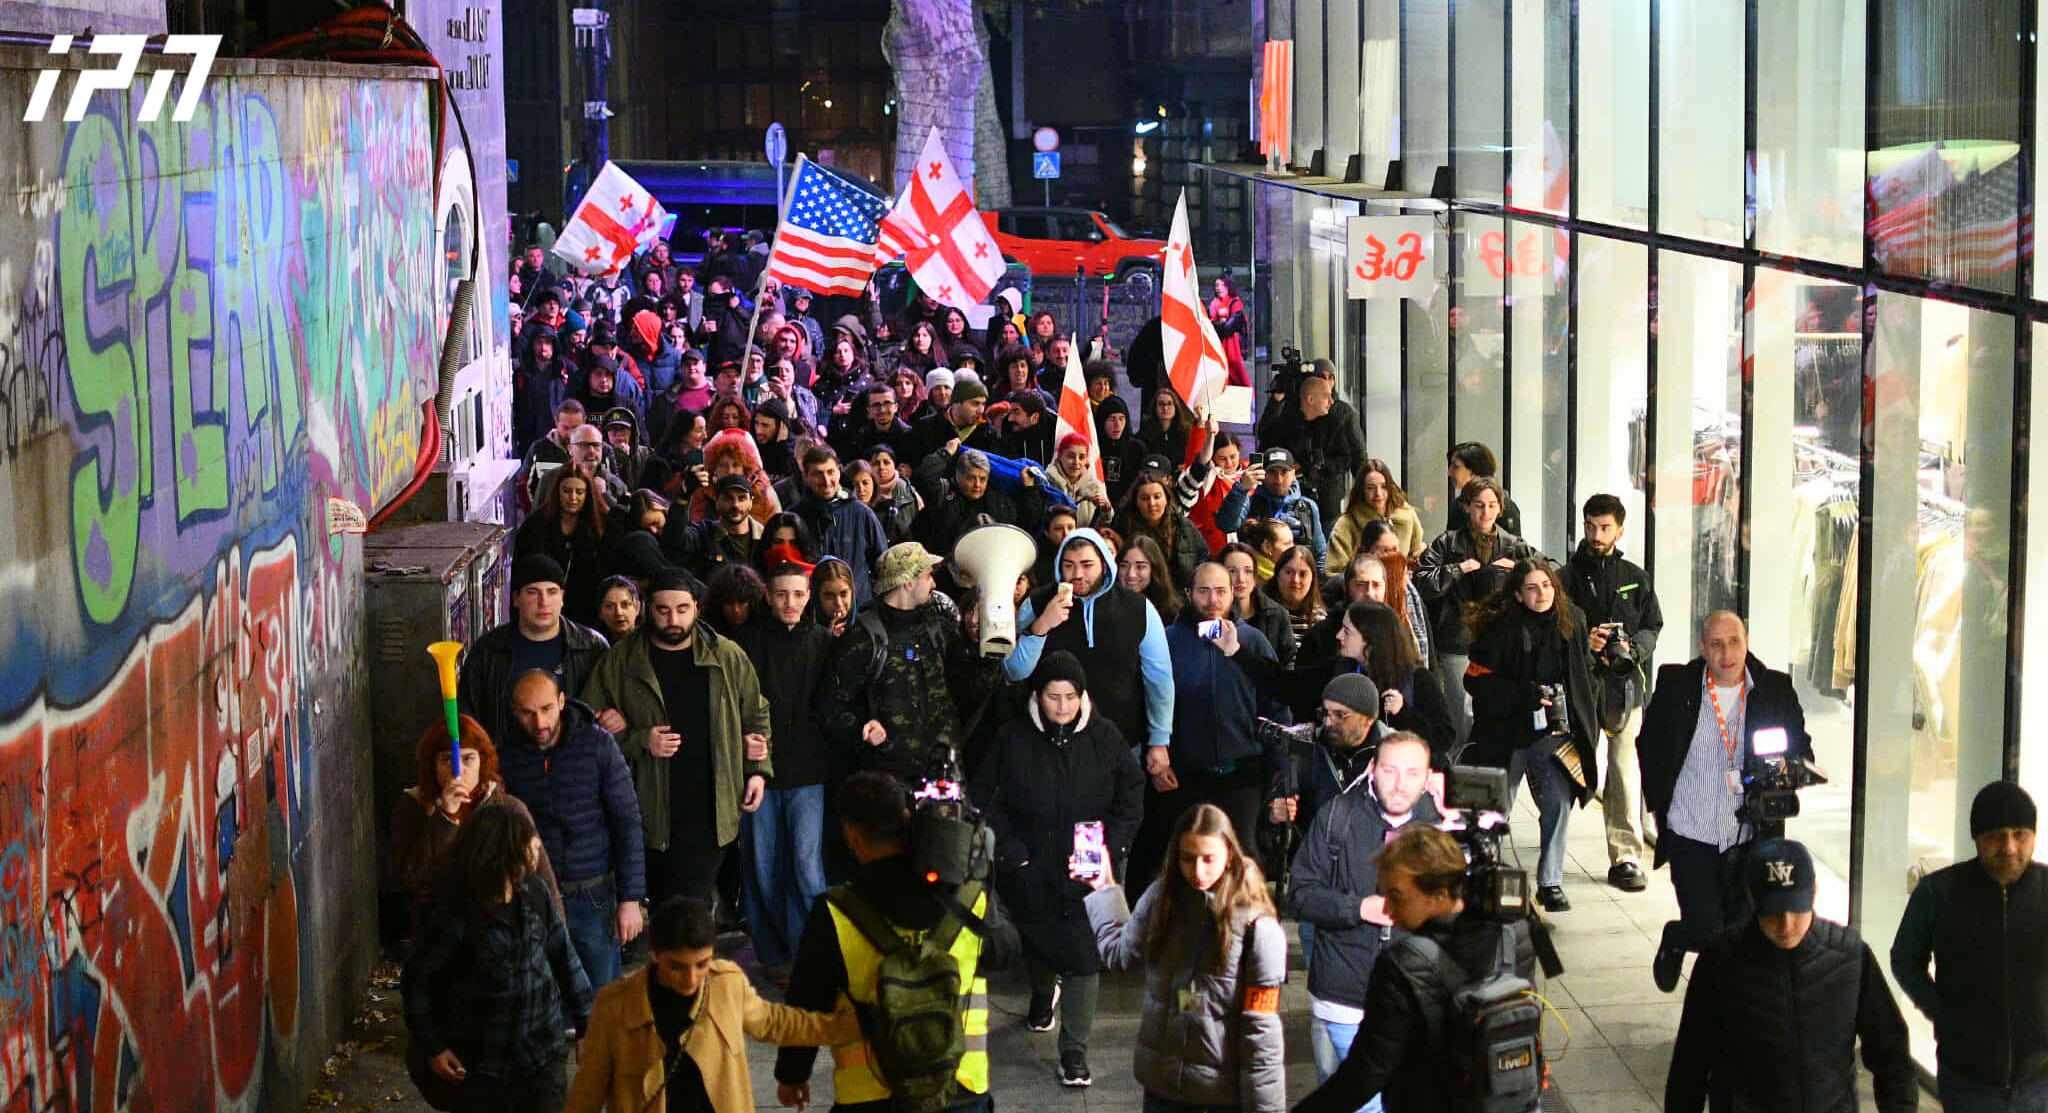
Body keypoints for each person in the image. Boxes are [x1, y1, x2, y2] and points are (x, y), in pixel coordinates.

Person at [775, 772, 1020, 1113]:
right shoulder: (968, 895)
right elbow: (1005, 953)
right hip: (960, 1087)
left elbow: (807, 1001)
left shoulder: (835, 911)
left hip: (870, 1095)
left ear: (851, 834)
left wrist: (791, 1075)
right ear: (907, 817)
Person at [970, 652, 1145, 1088]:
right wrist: (1012, 852)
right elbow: (987, 797)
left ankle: (1074, 1052)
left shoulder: (1105, 738)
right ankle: (1041, 996)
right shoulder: (1011, 739)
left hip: (1089, 868)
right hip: (1029, 863)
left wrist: (1114, 844)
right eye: (1054, 697)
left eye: (1071, 697)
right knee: (1039, 942)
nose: (1063, 706)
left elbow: (1131, 794)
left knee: (1085, 957)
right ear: (1038, 696)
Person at [1290, 825, 1537, 1113]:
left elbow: (1366, 1072)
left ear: (1439, 895)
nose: (1389, 910)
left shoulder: (1402, 965)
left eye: (1397, 897)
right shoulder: (1515, 932)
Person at [1666, 839, 1917, 1113]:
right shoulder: (1720, 961)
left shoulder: (1850, 957)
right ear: (1752, 899)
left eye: (1796, 909)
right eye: (1772, 912)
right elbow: (1691, 1063)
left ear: (1814, 894)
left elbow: (1891, 1056)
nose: (1786, 925)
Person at [1640, 611, 1812, 992]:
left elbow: (1802, 750)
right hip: (1691, 829)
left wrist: (1783, 768)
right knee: (1706, 931)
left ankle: (1730, 1022)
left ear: (1746, 641)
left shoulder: (1775, 689)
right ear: (1702, 647)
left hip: (1749, 834)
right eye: (1716, 644)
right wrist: (1658, 808)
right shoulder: (1676, 685)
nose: (1726, 653)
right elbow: (1648, 746)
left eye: (1734, 641)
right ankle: (1678, 938)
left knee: (1740, 937)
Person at [581, 571, 773, 906]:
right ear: (647, 609)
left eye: (682, 609)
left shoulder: (725, 656)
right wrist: (638, 739)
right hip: (649, 807)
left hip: (710, 805)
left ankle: (693, 955)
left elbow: (755, 713)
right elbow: (585, 728)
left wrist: (757, 768)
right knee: (664, 902)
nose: (673, 620)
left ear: (697, 608)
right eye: (663, 610)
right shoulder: (621, 660)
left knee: (691, 903)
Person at [565, 896, 856, 1113]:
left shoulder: (727, 984)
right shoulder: (615, 1006)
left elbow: (776, 1022)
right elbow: (589, 1089)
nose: (691, 978)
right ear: (654, 955)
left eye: (702, 964)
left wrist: (846, 1028)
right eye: (676, 967)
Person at [1084, 803, 1288, 1113]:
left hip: (1217, 1097)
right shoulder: (1160, 898)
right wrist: (1103, 889)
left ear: (1229, 854)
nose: (1198, 872)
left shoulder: (1258, 926)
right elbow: (1119, 953)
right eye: (1187, 858)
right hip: (1162, 1089)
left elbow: (1262, 1032)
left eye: (1209, 859)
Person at [402, 806, 592, 1113]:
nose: (537, 849)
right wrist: (433, 1045)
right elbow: (417, 981)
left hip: (541, 1058)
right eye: (529, 844)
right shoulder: (454, 910)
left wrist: (586, 1024)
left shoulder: (535, 893)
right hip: (481, 1067)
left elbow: (564, 958)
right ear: (504, 851)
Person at [1287, 729, 1439, 1097]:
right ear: (1372, 769)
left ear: (1428, 776)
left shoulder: (1442, 828)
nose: (1400, 785)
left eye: (1412, 773)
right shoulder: (1337, 816)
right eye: (1390, 770)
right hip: (1342, 1001)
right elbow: (1301, 896)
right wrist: (1358, 908)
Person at [1891, 781, 2047, 1112]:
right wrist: (1943, 1014)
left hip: (2041, 1080)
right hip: (1967, 1080)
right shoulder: (1938, 893)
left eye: (2020, 834)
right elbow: (1904, 960)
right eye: (1995, 835)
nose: (2008, 846)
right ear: (1976, 838)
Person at [1462, 559, 1600, 912]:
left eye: (1548, 586)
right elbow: (1474, 679)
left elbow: (1584, 675)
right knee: (1497, 808)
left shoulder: (1572, 623)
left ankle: (1550, 882)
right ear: (1519, 595)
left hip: (1553, 731)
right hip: (1504, 732)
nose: (1542, 594)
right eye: (1533, 588)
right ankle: (1487, 875)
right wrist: (1518, 693)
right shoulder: (1498, 628)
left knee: (1557, 802)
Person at [732, 564, 839, 975]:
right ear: (769, 597)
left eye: (797, 594)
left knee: (807, 869)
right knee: (762, 867)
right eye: (781, 594)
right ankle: (774, 954)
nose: (790, 603)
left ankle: (810, 953)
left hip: (810, 773)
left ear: (808, 596)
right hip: (759, 772)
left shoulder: (826, 644)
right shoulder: (746, 644)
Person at [1005, 529, 1175, 787]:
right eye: (1068, 565)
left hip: (1121, 742)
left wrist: (1159, 741)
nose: (1077, 575)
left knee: (1115, 824)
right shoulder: (1038, 603)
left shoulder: (1138, 608)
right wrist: (1040, 627)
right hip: (1050, 745)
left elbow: (1160, 679)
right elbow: (1014, 671)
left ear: (1105, 565)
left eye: (1087, 565)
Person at [1151, 563, 1287, 875]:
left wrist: (1280, 766)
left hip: (1244, 774)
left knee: (1243, 862)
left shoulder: (1252, 641)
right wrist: (1160, 757)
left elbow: (1276, 705)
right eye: (1204, 591)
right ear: (1189, 594)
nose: (1213, 599)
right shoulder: (1168, 641)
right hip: (1186, 775)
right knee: (1188, 861)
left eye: (1221, 591)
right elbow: (1151, 702)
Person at [1561, 494, 1664, 894]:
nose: (1596, 534)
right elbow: (1553, 625)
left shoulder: (1635, 576)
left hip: (1626, 686)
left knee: (1623, 771)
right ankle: (1553, 849)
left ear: (1620, 529)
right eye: (1590, 526)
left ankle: (1625, 857)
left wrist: (1633, 648)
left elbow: (1653, 625)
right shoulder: (1566, 578)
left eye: (1604, 527)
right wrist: (1583, 640)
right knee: (1565, 770)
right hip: (1580, 687)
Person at [818, 542, 973, 784]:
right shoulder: (863, 637)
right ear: (908, 582)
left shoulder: (938, 626)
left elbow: (969, 687)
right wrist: (862, 728)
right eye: (927, 575)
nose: (933, 584)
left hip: (942, 774)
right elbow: (830, 706)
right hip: (888, 781)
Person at [390, 714, 559, 926]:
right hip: (441, 936)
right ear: (432, 765)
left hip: (501, 935)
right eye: (447, 760)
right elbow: (412, 878)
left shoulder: (508, 808)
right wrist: (445, 818)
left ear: (483, 761)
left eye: (468, 758)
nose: (458, 771)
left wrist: (560, 942)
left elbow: (543, 880)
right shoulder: (414, 806)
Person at [1414, 477, 1537, 746]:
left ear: (1500, 509)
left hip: (1500, 640)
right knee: (1461, 714)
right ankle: (1463, 773)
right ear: (1467, 507)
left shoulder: (1513, 545)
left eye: (1492, 505)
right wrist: (1458, 569)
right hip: (1456, 638)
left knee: (1496, 711)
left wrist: (1519, 568)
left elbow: (1548, 571)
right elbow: (1421, 580)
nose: (1486, 512)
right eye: (1479, 505)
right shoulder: (1448, 543)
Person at [459, 555, 611, 754]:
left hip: (575, 769)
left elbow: (616, 705)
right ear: (515, 599)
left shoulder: (592, 647)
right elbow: (467, 719)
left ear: (562, 598)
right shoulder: (488, 651)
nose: (544, 602)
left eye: (552, 592)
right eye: (533, 592)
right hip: (508, 770)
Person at [790, 444, 891, 606]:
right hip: (812, 613)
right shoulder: (795, 518)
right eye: (818, 474)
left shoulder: (861, 513)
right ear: (806, 476)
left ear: (839, 471)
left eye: (831, 472)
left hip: (859, 611)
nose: (826, 480)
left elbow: (883, 564)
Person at [516, 461, 613, 627]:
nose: (573, 498)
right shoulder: (536, 525)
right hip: (543, 608)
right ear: (557, 492)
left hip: (589, 611)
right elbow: (521, 573)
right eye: (567, 491)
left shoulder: (603, 524)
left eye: (579, 492)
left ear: (588, 493)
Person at [1116, 471, 1210, 592]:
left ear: (1166, 499)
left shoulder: (1183, 527)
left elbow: (1203, 557)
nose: (1151, 503)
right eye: (1144, 498)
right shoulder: (1124, 527)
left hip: (1177, 597)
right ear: (1136, 502)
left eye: (1157, 496)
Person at [1327, 460, 1425, 567]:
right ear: (1362, 490)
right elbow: (1335, 571)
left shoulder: (1407, 515)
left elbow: (1417, 551)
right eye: (1370, 488)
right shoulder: (1347, 524)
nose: (1378, 493)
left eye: (1383, 486)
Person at [666, 474, 766, 578]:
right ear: (716, 501)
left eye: (742, 498)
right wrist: (683, 498)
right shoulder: (704, 533)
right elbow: (675, 541)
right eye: (728, 498)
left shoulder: (767, 536)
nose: (736, 505)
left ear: (751, 501)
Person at [1244, 448, 1327, 569]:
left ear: (1293, 473)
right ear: (1262, 473)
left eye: (1284, 472)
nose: (1278, 479)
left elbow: (1320, 554)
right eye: (1272, 472)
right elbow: (1227, 524)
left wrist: (1318, 585)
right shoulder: (1249, 503)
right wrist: (1242, 488)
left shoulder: (1308, 507)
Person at [1445, 442, 1522, 537]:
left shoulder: (1507, 508)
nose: (1449, 472)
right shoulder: (1458, 505)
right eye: (1478, 505)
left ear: (1475, 471)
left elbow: (1514, 549)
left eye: (1456, 467)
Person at [1262, 544, 1325, 655]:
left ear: (1312, 579)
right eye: (1288, 572)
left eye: (1302, 574)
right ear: (1277, 575)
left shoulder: (1320, 619)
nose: (1295, 580)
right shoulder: (1261, 610)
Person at [1117, 535, 1182, 623]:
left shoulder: (1172, 614)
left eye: (1140, 567)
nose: (1131, 574)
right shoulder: (1105, 607)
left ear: (1154, 569)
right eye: (1124, 566)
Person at [1209, 275, 1250, 386]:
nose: (1218, 288)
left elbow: (1227, 328)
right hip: (1219, 350)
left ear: (1228, 287)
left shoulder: (1236, 305)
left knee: (1238, 378)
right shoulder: (1214, 305)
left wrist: (1213, 325)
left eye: (1222, 285)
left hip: (1233, 351)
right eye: (1216, 285)